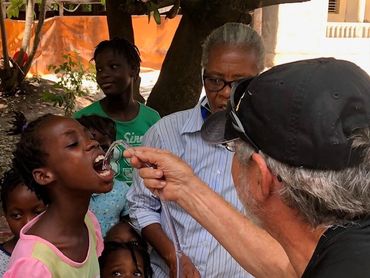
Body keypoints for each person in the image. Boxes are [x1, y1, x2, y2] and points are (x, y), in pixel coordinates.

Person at [125, 58, 370, 277]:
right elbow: (287, 267)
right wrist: (185, 188)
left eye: (232, 148)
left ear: (261, 177)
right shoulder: (345, 249)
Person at [127, 23, 270, 278]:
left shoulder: (274, 142)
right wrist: (174, 257)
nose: (225, 93)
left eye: (239, 83)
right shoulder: (165, 134)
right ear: (203, 75)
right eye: (215, 80)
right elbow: (140, 205)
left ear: (259, 77)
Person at [4, 113, 114, 277]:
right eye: (73, 144)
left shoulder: (87, 222)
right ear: (44, 176)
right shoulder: (35, 264)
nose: (93, 143)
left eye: (89, 136)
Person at [74, 38, 161, 185]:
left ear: (133, 69)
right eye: (100, 69)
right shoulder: (83, 119)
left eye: (113, 67)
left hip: (145, 201)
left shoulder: (152, 118)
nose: (104, 74)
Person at [77, 115, 130, 236]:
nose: (98, 151)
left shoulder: (121, 190)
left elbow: (128, 224)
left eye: (105, 147)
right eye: (89, 147)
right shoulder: (68, 190)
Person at [0, 168, 47, 276]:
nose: (28, 223)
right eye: (17, 215)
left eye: (37, 213)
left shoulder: (63, 253)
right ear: (6, 216)